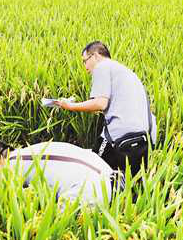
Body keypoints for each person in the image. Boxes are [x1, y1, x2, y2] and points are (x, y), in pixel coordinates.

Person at [55, 42, 156, 175]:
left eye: (85, 61)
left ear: (95, 56)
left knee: (93, 169)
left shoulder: (102, 67)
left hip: (121, 135)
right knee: (133, 187)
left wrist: (70, 106)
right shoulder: (123, 71)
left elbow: (100, 103)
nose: (85, 67)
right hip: (146, 137)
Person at [0, 141, 120, 206]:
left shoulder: (10, 165)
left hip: (90, 191)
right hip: (110, 175)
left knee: (55, 227)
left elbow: (6, 200)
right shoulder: (33, 150)